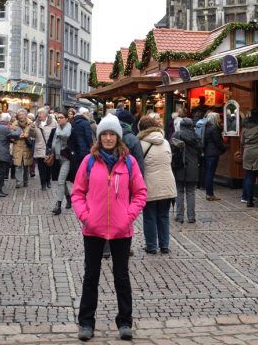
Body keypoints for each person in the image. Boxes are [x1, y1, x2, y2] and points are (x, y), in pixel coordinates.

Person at [71, 114, 147, 342]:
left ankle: (125, 322)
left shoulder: (129, 162)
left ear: (118, 137)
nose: (108, 138)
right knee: (91, 276)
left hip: (121, 229)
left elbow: (141, 193)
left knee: (121, 277)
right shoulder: (89, 161)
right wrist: (86, 216)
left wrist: (128, 216)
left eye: (112, 134)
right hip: (93, 228)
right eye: (104, 134)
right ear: (99, 136)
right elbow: (77, 192)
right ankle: (86, 322)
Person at [138, 116, 177, 254]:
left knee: (149, 216)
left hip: (150, 184)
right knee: (164, 215)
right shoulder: (165, 141)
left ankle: (151, 246)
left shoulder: (140, 143)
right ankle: (165, 245)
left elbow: (139, 166)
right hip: (167, 183)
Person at [171, 117, 200, 224]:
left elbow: (172, 151)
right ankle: (191, 217)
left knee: (179, 191)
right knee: (191, 192)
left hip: (179, 167)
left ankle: (179, 216)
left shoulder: (176, 135)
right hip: (192, 166)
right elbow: (200, 150)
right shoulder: (195, 136)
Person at [0, 113, 20, 197]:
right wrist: (18, 128)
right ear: (7, 120)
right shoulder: (6, 128)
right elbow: (16, 135)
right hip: (2, 153)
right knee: (1, 172)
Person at [30, 107, 57, 190]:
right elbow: (32, 136)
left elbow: (56, 134)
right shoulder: (35, 123)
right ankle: (43, 184)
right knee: (41, 167)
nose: (38, 115)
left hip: (49, 148)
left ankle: (48, 181)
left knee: (48, 166)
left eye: (40, 113)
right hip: (39, 147)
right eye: (38, 114)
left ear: (45, 114)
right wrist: (32, 130)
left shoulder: (53, 122)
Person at [50, 110, 72, 215]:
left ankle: (58, 205)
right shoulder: (56, 130)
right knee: (61, 181)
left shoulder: (71, 130)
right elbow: (52, 143)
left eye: (61, 117)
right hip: (58, 158)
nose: (59, 119)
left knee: (60, 181)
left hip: (67, 159)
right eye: (58, 117)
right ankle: (68, 197)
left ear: (67, 119)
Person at [203, 112, 226, 201]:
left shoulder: (206, 127)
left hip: (207, 152)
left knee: (208, 173)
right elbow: (218, 142)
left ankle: (208, 193)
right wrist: (223, 148)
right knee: (210, 174)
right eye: (218, 118)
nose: (219, 119)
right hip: (213, 153)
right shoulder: (214, 128)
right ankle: (210, 194)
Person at [116, 109, 145, 174]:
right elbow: (139, 164)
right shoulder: (133, 139)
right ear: (131, 123)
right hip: (129, 175)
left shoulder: (109, 136)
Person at [11, 109, 33, 188]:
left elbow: (34, 135)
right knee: (18, 165)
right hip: (18, 147)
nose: (21, 117)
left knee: (26, 166)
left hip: (27, 147)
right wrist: (17, 137)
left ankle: (25, 181)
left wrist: (28, 137)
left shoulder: (31, 124)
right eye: (19, 115)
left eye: (22, 115)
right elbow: (11, 136)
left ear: (26, 115)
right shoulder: (14, 124)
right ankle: (18, 182)